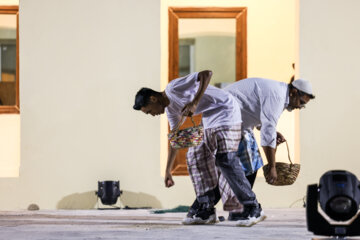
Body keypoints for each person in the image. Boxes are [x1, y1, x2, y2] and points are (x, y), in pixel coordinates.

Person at [133, 71, 265, 227]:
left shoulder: (173, 88)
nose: (152, 115)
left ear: (153, 98)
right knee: (195, 157)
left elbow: (206, 74)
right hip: (211, 116)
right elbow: (176, 141)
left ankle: (252, 206)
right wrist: (168, 170)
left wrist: (195, 102)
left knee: (225, 158)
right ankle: (206, 209)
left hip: (227, 109)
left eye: (149, 111)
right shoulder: (171, 111)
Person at [185, 77, 315, 220]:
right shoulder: (277, 96)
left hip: (224, 121)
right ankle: (241, 210)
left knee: (230, 171)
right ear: (294, 92)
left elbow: (254, 112)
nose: (300, 107)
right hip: (227, 122)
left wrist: (267, 130)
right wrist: (272, 166)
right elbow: (267, 132)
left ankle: (201, 211)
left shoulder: (278, 92)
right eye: (301, 103)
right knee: (248, 166)